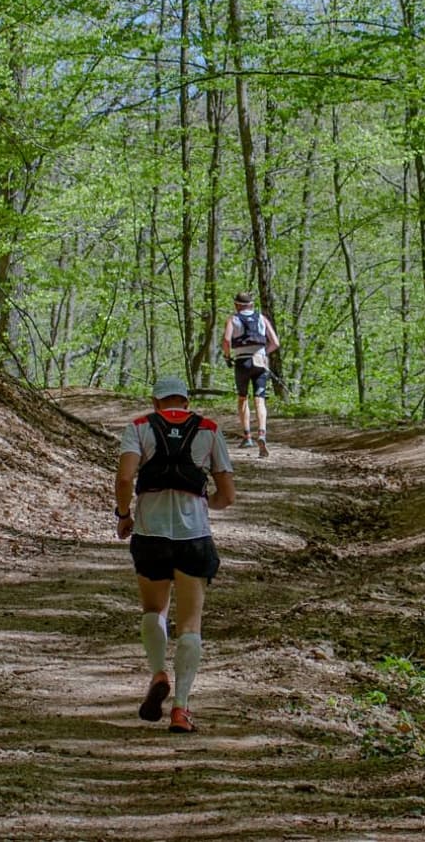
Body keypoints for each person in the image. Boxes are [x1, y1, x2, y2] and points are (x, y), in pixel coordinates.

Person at [114, 377, 236, 733]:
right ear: (186, 401)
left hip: (150, 535)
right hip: (193, 536)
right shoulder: (209, 429)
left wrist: (124, 516)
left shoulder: (139, 427)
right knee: (190, 624)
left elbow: (125, 479)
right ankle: (181, 708)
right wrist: (206, 503)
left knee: (154, 611)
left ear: (156, 403)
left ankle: (158, 673)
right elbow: (227, 495)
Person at [221, 292, 280, 456]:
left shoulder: (233, 319)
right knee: (260, 399)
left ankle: (247, 436)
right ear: (252, 305)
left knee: (242, 398)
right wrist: (264, 353)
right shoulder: (262, 319)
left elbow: (226, 340)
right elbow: (275, 343)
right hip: (260, 361)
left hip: (242, 362)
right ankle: (262, 433)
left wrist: (227, 356)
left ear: (236, 305)